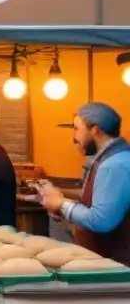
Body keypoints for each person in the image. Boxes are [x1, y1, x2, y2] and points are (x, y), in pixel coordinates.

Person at [34, 103, 130, 264]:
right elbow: (99, 195)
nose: (73, 137)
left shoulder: (114, 164)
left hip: (119, 264)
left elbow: (101, 220)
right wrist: (59, 191)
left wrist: (61, 204)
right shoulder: (110, 158)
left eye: (77, 129)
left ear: (95, 130)